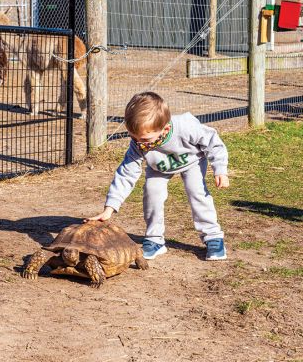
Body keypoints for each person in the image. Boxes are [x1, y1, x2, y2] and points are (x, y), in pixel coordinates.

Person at [87, 91, 229, 261]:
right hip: (159, 168)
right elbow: (126, 173)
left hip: (192, 161)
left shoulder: (185, 126)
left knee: (197, 192)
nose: (140, 143)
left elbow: (213, 142)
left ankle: (213, 236)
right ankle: (155, 240)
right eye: (135, 138)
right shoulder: (138, 144)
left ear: (165, 129)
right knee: (152, 192)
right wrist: (109, 208)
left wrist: (220, 169)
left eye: (145, 139)